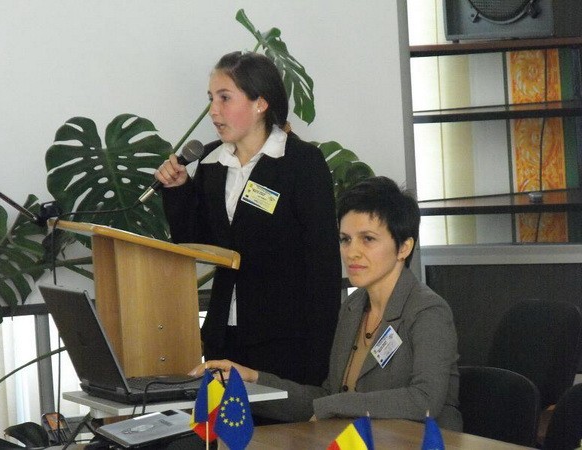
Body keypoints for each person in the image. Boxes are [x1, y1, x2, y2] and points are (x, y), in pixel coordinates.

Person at [189, 176, 463, 431]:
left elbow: (425, 400)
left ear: (404, 247)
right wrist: (251, 379)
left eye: (368, 239)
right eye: (345, 240)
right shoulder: (353, 307)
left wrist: (334, 405)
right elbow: (328, 397)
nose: (352, 252)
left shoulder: (428, 311)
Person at [154, 51, 341, 388]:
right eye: (211, 99)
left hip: (286, 340)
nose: (214, 110)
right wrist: (179, 190)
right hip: (225, 336)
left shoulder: (301, 163)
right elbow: (195, 242)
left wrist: (320, 358)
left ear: (260, 103)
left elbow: (323, 266)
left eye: (225, 98)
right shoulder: (212, 162)